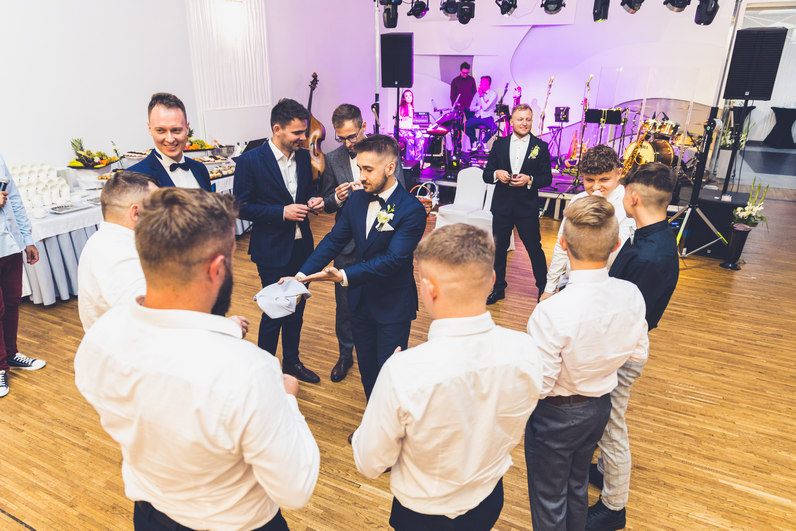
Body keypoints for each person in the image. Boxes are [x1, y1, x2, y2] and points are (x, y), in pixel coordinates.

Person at [75, 188, 320, 531]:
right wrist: (288, 400)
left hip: (150, 516)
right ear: (218, 267)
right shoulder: (247, 369)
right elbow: (295, 489)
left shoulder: (100, 336)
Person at [352, 223, 543, 530]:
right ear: (492, 280)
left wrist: (385, 394)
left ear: (429, 289)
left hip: (422, 515)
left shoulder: (403, 371)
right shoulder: (526, 349)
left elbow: (370, 463)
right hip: (488, 499)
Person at [525, 195, 649, 531]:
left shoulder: (551, 311)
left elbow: (541, 385)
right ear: (616, 245)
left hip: (556, 414)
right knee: (576, 485)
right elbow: (638, 353)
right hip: (599, 407)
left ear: (563, 244)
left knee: (549, 499)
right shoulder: (631, 294)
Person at [296, 135, 427, 405]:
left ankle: (391, 425)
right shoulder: (356, 200)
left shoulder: (412, 209)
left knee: (390, 374)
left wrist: (344, 275)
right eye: (359, 168)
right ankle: (373, 421)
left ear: (390, 168)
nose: (361, 177)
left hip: (392, 305)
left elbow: (394, 259)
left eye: (368, 169)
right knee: (367, 370)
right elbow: (334, 240)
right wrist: (301, 276)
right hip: (359, 302)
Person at [587, 163, 680, 531]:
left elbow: (624, 317)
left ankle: (613, 507)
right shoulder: (650, 237)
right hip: (624, 343)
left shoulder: (648, 255)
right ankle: (603, 469)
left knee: (612, 427)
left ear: (635, 197)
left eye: (624, 192)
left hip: (623, 351)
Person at [234, 98, 325, 383]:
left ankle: (292, 362)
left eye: (304, 131)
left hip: (302, 247)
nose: (303, 138)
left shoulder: (303, 158)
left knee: (297, 308)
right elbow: (240, 207)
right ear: (277, 129)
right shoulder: (250, 161)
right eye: (297, 132)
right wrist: (281, 212)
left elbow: (306, 192)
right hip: (271, 249)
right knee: (274, 310)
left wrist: (313, 200)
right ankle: (265, 371)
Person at [319, 104, 405, 383]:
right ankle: (345, 354)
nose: (348, 143)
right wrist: (337, 197)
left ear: (363, 126)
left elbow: (400, 194)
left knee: (380, 298)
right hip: (347, 246)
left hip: (381, 243)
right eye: (341, 138)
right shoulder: (333, 159)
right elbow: (327, 202)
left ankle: (383, 354)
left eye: (352, 136)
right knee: (345, 306)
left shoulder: (385, 151)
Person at [541, 144, 636, 301]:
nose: (596, 187)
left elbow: (618, 255)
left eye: (604, 180)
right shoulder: (578, 200)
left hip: (609, 289)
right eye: (589, 180)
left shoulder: (628, 204)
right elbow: (561, 247)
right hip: (572, 283)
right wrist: (550, 288)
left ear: (619, 173)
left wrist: (597, 208)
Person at [482, 103, 552, 305]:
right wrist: (497, 173)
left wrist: (529, 179)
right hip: (502, 207)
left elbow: (547, 178)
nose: (524, 123)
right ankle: (498, 289)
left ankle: (543, 288)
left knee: (534, 248)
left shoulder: (541, 146)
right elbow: (487, 175)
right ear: (511, 121)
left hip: (526, 208)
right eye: (520, 119)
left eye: (528, 119)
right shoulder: (499, 144)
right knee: (499, 249)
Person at [77, 171, 158, 331]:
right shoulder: (115, 252)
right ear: (136, 213)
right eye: (159, 205)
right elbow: (147, 316)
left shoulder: (110, 239)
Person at [0, 155, 45, 398]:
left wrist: (27, 239)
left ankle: (11, 354)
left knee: (12, 302)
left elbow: (14, 199)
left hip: (9, 246)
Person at [127, 93, 213, 191]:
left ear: (187, 128)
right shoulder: (133, 179)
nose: (170, 139)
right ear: (150, 129)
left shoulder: (200, 169)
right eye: (160, 130)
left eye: (176, 130)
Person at [465, 76, 497, 147]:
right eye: (480, 82)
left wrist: (481, 96)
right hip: (477, 116)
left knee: (494, 128)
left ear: (487, 83)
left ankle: (483, 141)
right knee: (464, 126)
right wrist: (479, 107)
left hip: (487, 117)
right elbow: (471, 108)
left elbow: (485, 108)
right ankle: (475, 140)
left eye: (482, 82)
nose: (480, 84)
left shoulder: (493, 94)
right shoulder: (477, 94)